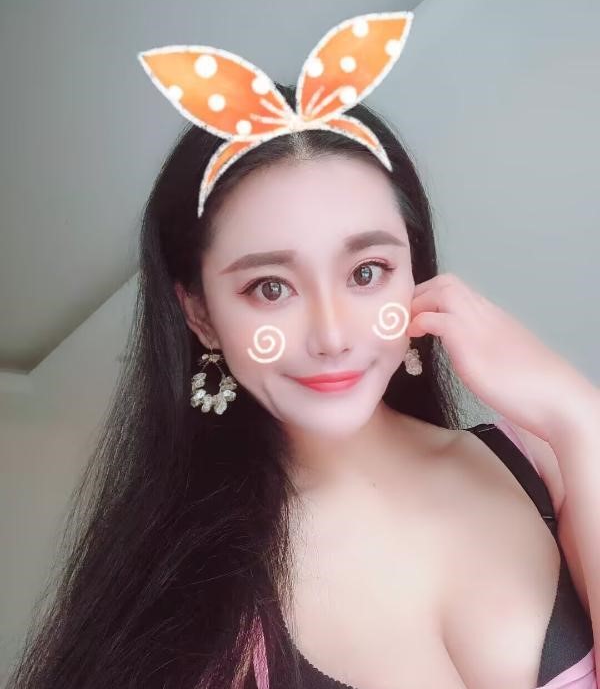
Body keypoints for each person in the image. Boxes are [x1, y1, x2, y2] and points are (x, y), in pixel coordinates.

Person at [6, 79, 596, 689]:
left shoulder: (548, 459)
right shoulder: (195, 607)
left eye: (367, 272)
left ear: (414, 271)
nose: (332, 335)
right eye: (270, 288)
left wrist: (579, 414)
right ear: (201, 315)